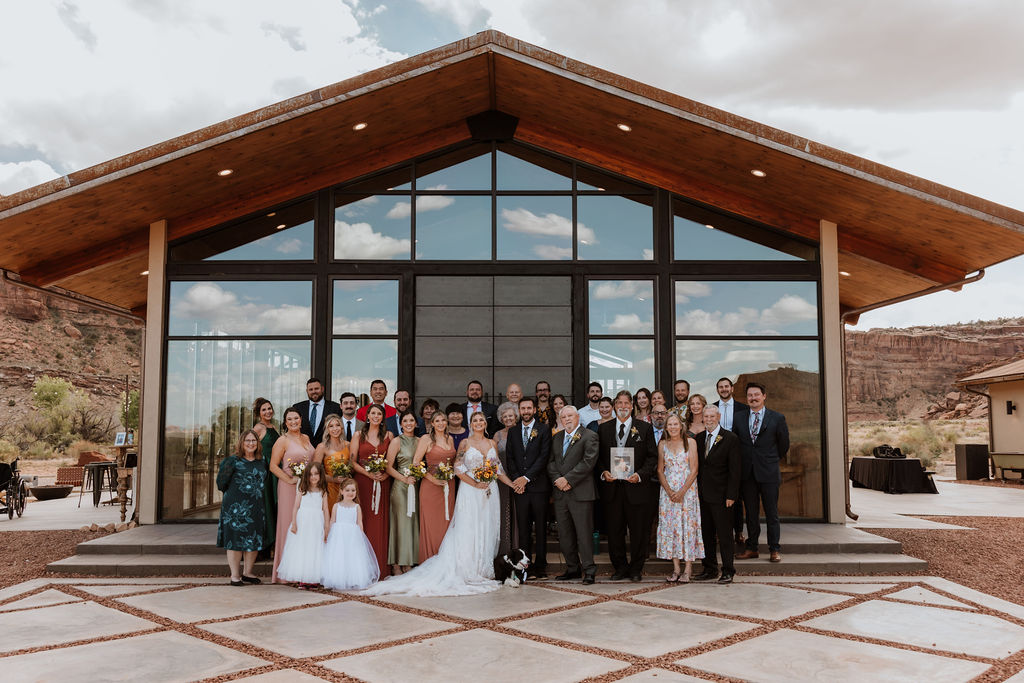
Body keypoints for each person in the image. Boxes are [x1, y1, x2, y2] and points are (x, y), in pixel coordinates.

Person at [362, 411, 516, 596]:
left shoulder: (485, 442)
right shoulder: (458, 442)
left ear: (485, 423)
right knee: (465, 527)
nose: (478, 423)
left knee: (485, 526)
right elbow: (455, 467)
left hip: (481, 490)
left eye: (481, 420)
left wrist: (513, 484)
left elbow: (497, 467)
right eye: (474, 420)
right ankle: (448, 563)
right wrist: (470, 482)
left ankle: (482, 567)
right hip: (458, 487)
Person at [598, 390, 659, 581]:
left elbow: (652, 457)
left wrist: (640, 475)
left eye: (627, 403)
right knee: (615, 531)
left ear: (632, 406)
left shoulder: (644, 428)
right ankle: (620, 568)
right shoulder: (604, 429)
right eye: (619, 403)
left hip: (637, 489)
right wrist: (603, 472)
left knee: (638, 531)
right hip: (613, 489)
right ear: (615, 406)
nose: (623, 406)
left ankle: (635, 569)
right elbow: (597, 457)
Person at [733, 383, 789, 563]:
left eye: (756, 394)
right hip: (747, 474)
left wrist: (769, 460)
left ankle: (774, 549)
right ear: (746, 398)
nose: (753, 398)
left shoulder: (777, 418)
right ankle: (752, 548)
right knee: (750, 513)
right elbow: (736, 445)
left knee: (772, 513)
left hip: (769, 473)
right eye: (750, 395)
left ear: (764, 396)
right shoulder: (739, 418)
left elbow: (783, 445)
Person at [548, 405, 599, 584]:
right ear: (561, 420)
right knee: (565, 534)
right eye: (564, 417)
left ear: (577, 417)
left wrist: (568, 479)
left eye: (570, 416)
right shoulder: (557, 438)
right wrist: (558, 479)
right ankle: (572, 568)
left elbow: (588, 462)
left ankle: (589, 569)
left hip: (580, 493)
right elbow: (551, 462)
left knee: (583, 534)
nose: (567, 419)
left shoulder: (589, 436)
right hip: (561, 493)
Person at [692, 405, 742, 584]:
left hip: (722, 497)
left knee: (725, 535)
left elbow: (735, 470)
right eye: (706, 416)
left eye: (712, 416)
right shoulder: (698, 439)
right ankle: (709, 568)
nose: (709, 419)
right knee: (706, 535)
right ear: (702, 418)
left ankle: (728, 570)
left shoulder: (730, 438)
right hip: (702, 496)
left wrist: (731, 495)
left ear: (718, 416)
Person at [506, 396, 553, 578]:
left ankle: (540, 566)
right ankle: (524, 566)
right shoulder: (514, 431)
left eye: (528, 408)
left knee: (540, 528)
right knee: (523, 529)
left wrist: (526, 477)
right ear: (520, 411)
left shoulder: (543, 429)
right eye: (522, 408)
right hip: (520, 489)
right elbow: (510, 458)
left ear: (534, 410)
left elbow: (544, 457)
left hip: (539, 487)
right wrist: (518, 479)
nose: (525, 411)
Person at [268, 407, 316, 583]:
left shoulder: (306, 438)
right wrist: (288, 480)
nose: (294, 421)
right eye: (290, 419)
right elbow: (273, 466)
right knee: (290, 524)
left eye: (296, 418)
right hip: (289, 487)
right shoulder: (282, 440)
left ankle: (302, 570)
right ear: (285, 422)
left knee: (304, 526)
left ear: (301, 419)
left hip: (307, 488)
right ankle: (286, 574)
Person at [216, 430, 268, 586]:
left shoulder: (262, 461)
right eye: (247, 440)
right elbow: (221, 483)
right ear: (241, 443)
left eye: (254, 440)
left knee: (254, 539)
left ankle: (248, 573)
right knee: (235, 540)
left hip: (256, 507)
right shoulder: (232, 461)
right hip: (235, 509)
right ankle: (235, 575)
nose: (251, 443)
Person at [656, 414, 702, 583]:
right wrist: (669, 491)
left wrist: (682, 491)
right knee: (672, 528)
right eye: (670, 424)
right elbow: (660, 470)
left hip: (687, 492)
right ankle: (675, 569)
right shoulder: (662, 444)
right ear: (666, 427)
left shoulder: (690, 442)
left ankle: (688, 569)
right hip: (668, 492)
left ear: (681, 426)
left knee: (687, 527)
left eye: (676, 424)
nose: (673, 427)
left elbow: (694, 469)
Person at [350, 404, 393, 577]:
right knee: (363, 522)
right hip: (363, 483)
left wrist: (385, 475)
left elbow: (391, 462)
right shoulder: (358, 435)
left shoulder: (389, 436)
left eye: (379, 414)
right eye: (373, 413)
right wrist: (368, 473)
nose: (376, 416)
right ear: (367, 416)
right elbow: (352, 461)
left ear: (383, 417)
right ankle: (361, 568)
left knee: (380, 523)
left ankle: (380, 568)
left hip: (383, 482)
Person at [276, 461, 329, 587]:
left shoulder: (323, 491)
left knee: (315, 549)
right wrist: (294, 523)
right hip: (303, 521)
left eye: (316, 474)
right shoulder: (302, 489)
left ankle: (313, 578)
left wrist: (327, 525)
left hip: (317, 522)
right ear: (306, 476)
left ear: (321, 475)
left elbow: (325, 509)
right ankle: (303, 577)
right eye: (310, 474)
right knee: (303, 548)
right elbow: (295, 507)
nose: (313, 477)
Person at [413, 412, 457, 562]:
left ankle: (446, 560)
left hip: (448, 485)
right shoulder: (426, 439)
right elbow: (416, 463)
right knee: (432, 526)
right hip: (430, 487)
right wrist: (433, 479)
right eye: (437, 421)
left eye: (443, 420)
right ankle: (430, 560)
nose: (440, 423)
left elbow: (454, 462)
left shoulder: (449, 438)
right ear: (432, 423)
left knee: (447, 523)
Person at [322, 478, 380, 590]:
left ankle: (352, 579)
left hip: (353, 535)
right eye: (347, 490)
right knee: (339, 556)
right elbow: (332, 521)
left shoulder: (356, 507)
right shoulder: (336, 506)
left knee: (352, 556)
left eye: (353, 490)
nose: (350, 493)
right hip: (338, 536)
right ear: (341, 491)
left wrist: (361, 537)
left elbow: (359, 522)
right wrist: (328, 534)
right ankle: (338, 579)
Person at [713, 378, 749, 546]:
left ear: (732, 388)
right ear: (717, 390)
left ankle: (739, 531)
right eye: (721, 387)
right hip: (717, 457)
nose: (724, 389)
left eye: (726, 386)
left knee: (736, 495)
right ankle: (720, 531)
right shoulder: (713, 408)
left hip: (736, 456)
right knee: (719, 496)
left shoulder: (743, 409)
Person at [385, 411, 420, 574]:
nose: (408, 423)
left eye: (411, 420)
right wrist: (404, 479)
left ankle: (411, 560)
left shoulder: (420, 441)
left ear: (416, 423)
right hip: (400, 486)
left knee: (412, 523)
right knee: (401, 523)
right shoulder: (396, 441)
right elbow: (388, 466)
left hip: (416, 486)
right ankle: (397, 563)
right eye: (405, 420)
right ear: (401, 424)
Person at [492, 400, 521, 557]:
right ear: (501, 419)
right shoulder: (497, 435)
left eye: (511, 415)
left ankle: (517, 547)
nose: (508, 418)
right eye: (505, 416)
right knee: (503, 510)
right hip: (502, 478)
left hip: (519, 478)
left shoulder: (522, 431)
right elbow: (493, 458)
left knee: (518, 512)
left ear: (516, 416)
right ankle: (504, 548)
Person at [251, 397, 278, 555]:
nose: (268, 411)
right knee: (266, 506)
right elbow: (250, 447)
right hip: (265, 471)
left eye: (269, 408)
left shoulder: (273, 426)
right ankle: (264, 546)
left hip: (275, 469)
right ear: (259, 413)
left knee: (274, 506)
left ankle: (273, 543)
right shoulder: (259, 427)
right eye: (264, 410)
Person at [314, 414, 350, 511]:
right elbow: (315, 472)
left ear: (341, 427)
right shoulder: (322, 447)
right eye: (331, 426)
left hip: (346, 489)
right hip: (330, 488)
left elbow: (352, 465)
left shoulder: (348, 445)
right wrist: (334, 479)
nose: (335, 428)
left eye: (337, 425)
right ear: (327, 429)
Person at [292, 377, 341, 444]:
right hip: (303, 450)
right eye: (311, 389)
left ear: (322, 389)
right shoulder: (298, 407)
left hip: (327, 450)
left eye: (316, 389)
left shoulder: (335, 408)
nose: (314, 391)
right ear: (307, 391)